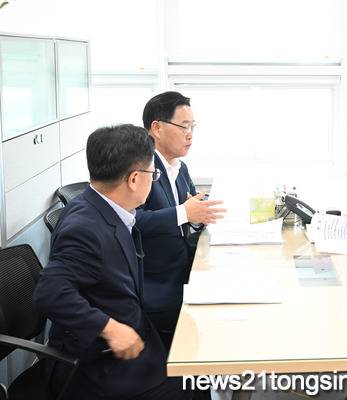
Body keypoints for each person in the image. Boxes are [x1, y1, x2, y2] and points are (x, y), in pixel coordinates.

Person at [33, 124, 207, 399]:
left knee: (197, 368)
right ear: (134, 179)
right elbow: (50, 292)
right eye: (153, 174)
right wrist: (110, 329)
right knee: (194, 383)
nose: (154, 180)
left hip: (135, 337)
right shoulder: (85, 227)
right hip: (99, 363)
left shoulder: (110, 208)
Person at [137, 91, 226, 350]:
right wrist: (185, 213)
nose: (190, 135)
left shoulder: (179, 167)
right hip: (158, 279)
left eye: (193, 127)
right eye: (184, 127)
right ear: (157, 128)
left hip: (183, 265)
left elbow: (191, 215)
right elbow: (132, 222)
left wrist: (197, 216)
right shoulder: (141, 167)